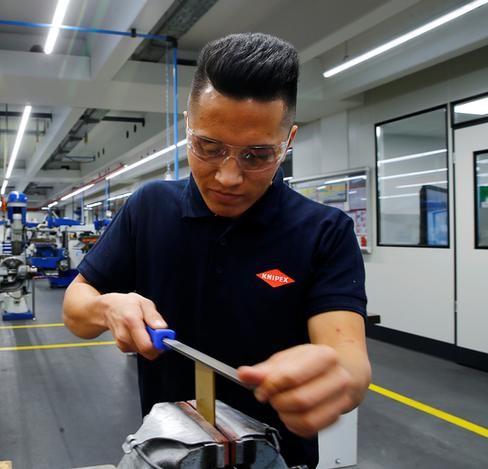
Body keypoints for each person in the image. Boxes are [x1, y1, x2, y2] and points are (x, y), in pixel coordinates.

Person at [62, 32, 371, 469]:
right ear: (188, 123)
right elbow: (77, 309)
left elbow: (350, 358)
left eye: (257, 156)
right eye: (208, 147)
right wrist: (109, 306)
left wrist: (335, 378)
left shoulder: (324, 231)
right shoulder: (149, 207)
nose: (228, 176)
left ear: (289, 141)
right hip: (168, 455)